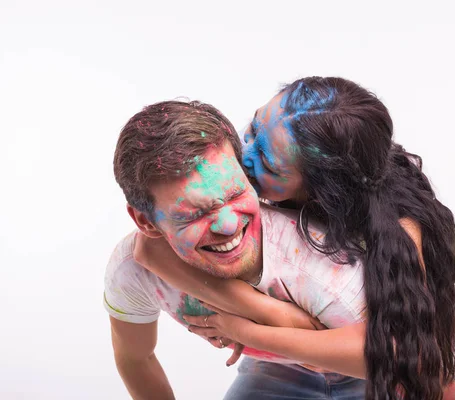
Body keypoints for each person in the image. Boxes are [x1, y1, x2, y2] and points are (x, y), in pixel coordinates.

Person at [137, 77, 455, 400]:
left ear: (322, 193)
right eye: (253, 130)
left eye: (266, 162)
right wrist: (258, 307)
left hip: (366, 372)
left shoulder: (401, 230)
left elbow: (397, 352)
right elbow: (149, 249)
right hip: (285, 362)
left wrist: (243, 331)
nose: (244, 155)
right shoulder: (252, 182)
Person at [108, 100, 377, 400]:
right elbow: (135, 358)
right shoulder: (134, 270)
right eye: (195, 214)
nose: (227, 225)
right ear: (146, 222)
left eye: (235, 193)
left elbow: (409, 362)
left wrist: (239, 326)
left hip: (383, 374)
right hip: (282, 369)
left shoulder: (327, 269)